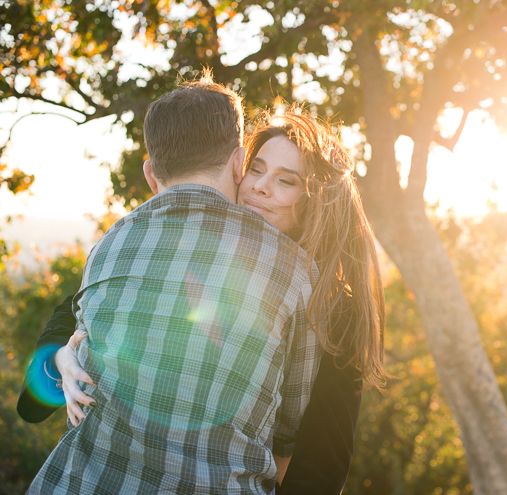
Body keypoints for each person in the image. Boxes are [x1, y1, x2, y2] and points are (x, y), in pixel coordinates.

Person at [19, 105, 386, 493]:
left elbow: (321, 464)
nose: (261, 186)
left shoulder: (332, 307)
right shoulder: (190, 244)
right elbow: (71, 317)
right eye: (256, 169)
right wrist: (59, 355)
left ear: (317, 202)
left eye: (287, 181)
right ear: (238, 168)